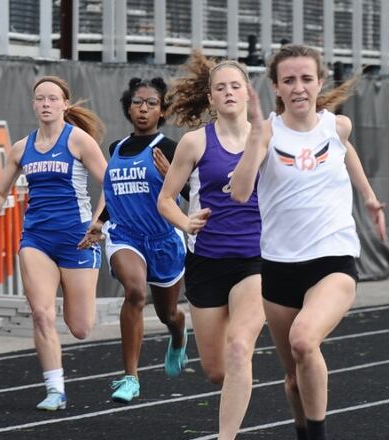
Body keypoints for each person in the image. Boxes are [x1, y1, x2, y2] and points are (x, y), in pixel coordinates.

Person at [230, 44, 387, 440]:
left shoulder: (337, 126)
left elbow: (345, 151)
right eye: (289, 81)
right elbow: (240, 192)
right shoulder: (265, 132)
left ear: (320, 82)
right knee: (292, 378)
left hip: (332, 260)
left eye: (306, 79)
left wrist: (368, 196)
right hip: (279, 267)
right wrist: (254, 141)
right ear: (276, 88)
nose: (298, 88)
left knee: (304, 340)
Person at [0, 76, 107, 411]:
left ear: (65, 104)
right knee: (40, 313)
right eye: (40, 99)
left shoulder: (79, 141)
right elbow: (0, 188)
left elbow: (110, 184)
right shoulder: (22, 147)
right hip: (36, 238)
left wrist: (98, 222)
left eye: (53, 98)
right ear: (33, 104)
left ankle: (70, 297)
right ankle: (55, 389)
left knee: (80, 327)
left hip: (76, 239)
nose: (46, 104)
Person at [157, 51, 265, 440]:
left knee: (240, 349)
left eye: (235, 85)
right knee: (217, 370)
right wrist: (187, 222)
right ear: (211, 97)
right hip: (205, 261)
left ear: (247, 91)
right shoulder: (194, 143)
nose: (229, 92)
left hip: (256, 260)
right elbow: (166, 200)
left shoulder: (266, 136)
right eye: (221, 87)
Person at [78, 77, 189, 404]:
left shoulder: (170, 148)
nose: (143, 109)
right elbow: (116, 196)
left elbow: (187, 195)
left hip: (163, 239)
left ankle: (178, 337)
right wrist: (99, 223)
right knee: (136, 292)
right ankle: (130, 377)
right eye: (138, 102)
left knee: (169, 314)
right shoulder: (116, 148)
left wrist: (173, 175)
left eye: (151, 103)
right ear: (128, 107)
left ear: (162, 110)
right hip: (125, 235)